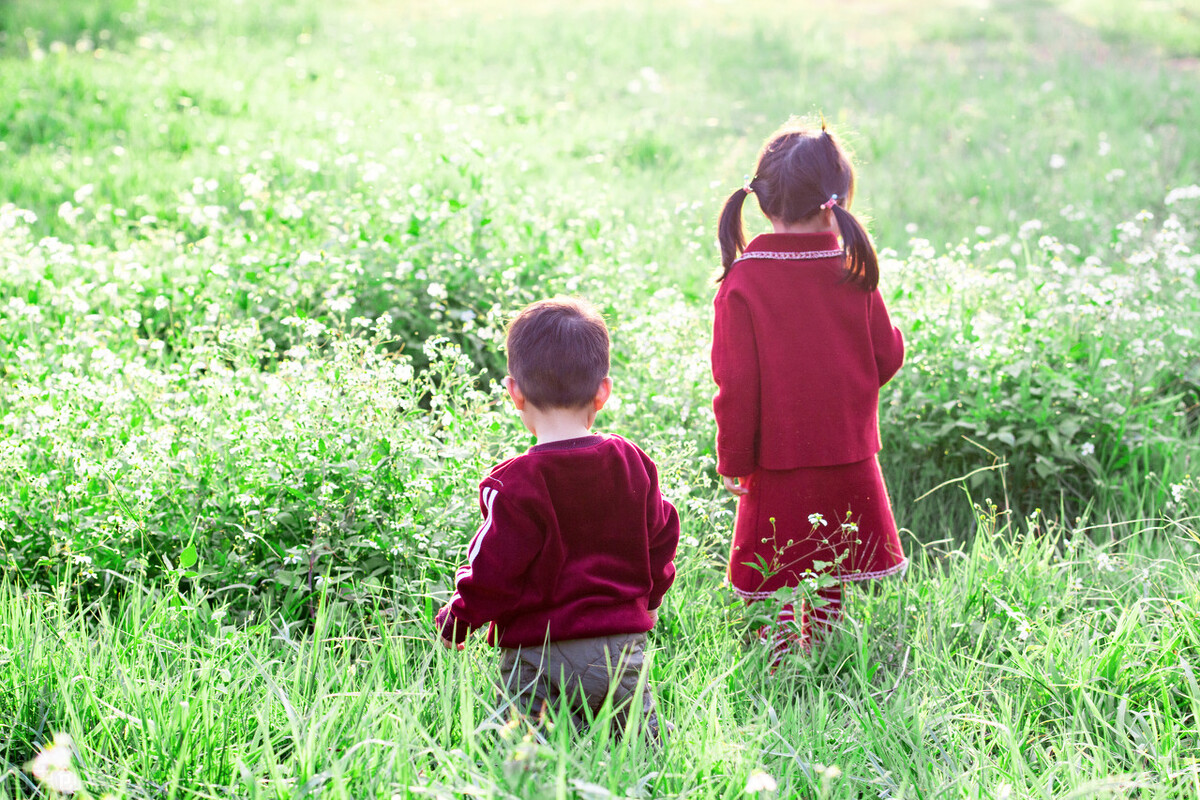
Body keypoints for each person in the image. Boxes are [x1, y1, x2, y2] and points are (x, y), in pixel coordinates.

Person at [434, 297, 680, 738]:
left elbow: (492, 569)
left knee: (520, 748)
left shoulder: (513, 484)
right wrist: (650, 598)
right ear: (602, 391)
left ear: (515, 393)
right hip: (619, 649)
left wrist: (459, 619)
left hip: (536, 655)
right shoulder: (631, 462)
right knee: (639, 745)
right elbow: (661, 535)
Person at [710, 118, 907, 664]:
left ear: (763, 201)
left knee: (774, 565)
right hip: (847, 452)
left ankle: (776, 661)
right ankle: (822, 648)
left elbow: (736, 386)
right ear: (834, 203)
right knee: (830, 557)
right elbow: (885, 356)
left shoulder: (743, 281)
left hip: (773, 461)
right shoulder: (853, 267)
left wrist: (734, 459)